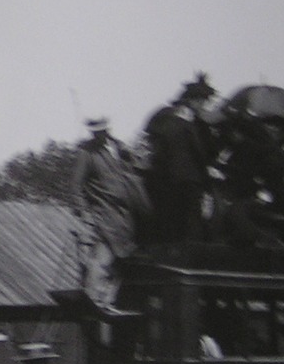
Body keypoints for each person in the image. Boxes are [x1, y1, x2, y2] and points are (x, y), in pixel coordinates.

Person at [72, 116, 150, 314]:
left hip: (126, 213)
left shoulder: (119, 147)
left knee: (122, 259)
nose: (97, 134)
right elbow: (76, 184)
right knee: (103, 257)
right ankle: (92, 300)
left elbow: (136, 167)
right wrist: (83, 211)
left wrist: (134, 158)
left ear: (107, 129)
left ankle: (108, 300)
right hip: (104, 211)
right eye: (94, 130)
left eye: (101, 130)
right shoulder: (86, 152)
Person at [143, 73, 217, 244]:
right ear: (193, 100)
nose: (205, 105)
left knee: (174, 221)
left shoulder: (169, 116)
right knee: (183, 222)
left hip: (170, 178)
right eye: (203, 101)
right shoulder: (180, 120)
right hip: (180, 180)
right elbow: (199, 153)